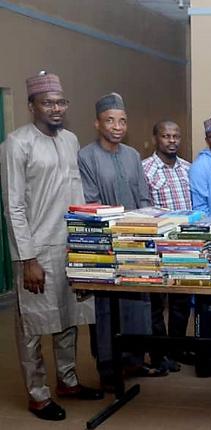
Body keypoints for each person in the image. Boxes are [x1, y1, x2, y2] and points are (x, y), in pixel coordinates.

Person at [1, 71, 102, 421]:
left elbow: (77, 195)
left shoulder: (71, 140)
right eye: (47, 103)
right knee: (32, 324)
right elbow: (13, 205)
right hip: (37, 249)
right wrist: (27, 258)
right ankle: (38, 394)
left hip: (70, 245)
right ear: (32, 106)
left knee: (68, 317)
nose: (55, 109)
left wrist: (85, 243)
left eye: (60, 102)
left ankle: (68, 381)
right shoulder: (17, 143)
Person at [78, 92, 157, 388]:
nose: (117, 126)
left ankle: (135, 361)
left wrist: (143, 225)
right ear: (97, 123)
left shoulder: (133, 155)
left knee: (138, 303)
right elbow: (91, 201)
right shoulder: (86, 157)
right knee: (106, 307)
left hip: (136, 241)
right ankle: (108, 366)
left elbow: (144, 197)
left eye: (122, 121)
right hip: (105, 244)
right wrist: (118, 230)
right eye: (110, 120)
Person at [142, 120, 192, 373]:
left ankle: (177, 348)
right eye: (166, 136)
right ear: (155, 139)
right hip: (157, 246)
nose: (171, 140)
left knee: (181, 301)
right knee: (155, 303)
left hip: (184, 246)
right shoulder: (145, 170)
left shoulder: (187, 169)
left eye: (176, 136)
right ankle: (159, 353)